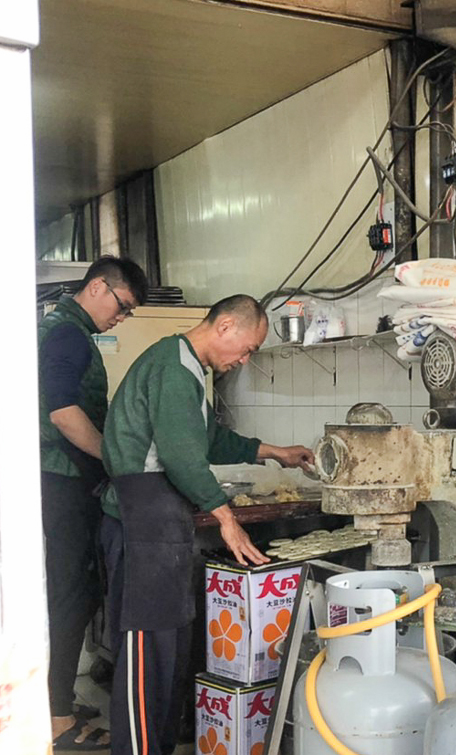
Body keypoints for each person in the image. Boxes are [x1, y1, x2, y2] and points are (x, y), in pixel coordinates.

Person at [99, 294, 314, 755]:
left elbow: (208, 440)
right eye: (248, 347)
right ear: (225, 326)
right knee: (146, 656)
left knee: (167, 653)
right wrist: (226, 518)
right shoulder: (173, 367)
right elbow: (179, 457)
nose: (245, 359)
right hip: (142, 522)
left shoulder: (191, 370)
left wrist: (275, 452)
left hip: (161, 523)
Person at [38, 256, 148, 751]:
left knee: (71, 593)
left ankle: (53, 698)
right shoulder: (66, 334)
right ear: (99, 287)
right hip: (62, 481)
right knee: (70, 594)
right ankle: (59, 718)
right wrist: (114, 458)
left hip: (62, 480)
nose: (121, 318)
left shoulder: (67, 329)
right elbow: (63, 413)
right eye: (122, 306)